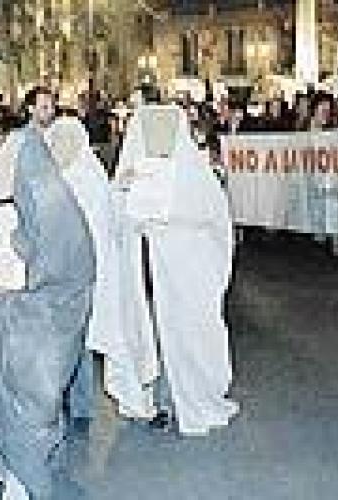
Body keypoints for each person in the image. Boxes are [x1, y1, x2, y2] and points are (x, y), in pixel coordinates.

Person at [0, 113, 95, 500]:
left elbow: (62, 266)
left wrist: (19, 257)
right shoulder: (38, 202)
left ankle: (28, 486)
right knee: (18, 411)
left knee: (32, 411)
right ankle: (26, 480)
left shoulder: (56, 208)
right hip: (11, 331)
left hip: (40, 335)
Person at [108, 104, 238, 435]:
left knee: (187, 333)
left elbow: (213, 218)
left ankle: (186, 398)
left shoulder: (195, 172)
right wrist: (125, 190)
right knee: (147, 333)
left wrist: (169, 219)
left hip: (186, 274)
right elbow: (116, 222)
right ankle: (153, 403)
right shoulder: (131, 170)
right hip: (143, 272)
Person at [0, 87, 99, 431]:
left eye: (52, 106)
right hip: (37, 258)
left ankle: (78, 406)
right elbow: (1, 193)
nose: (48, 112)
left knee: (73, 331)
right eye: (42, 106)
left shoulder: (65, 146)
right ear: (29, 109)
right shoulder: (19, 145)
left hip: (65, 260)